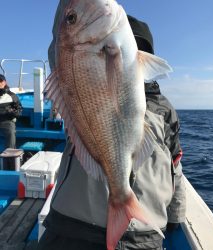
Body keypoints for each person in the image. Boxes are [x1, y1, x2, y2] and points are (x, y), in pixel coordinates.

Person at [37, 2, 186, 250]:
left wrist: (176, 219)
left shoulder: (164, 109)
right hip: (72, 227)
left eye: (140, 46)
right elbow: (60, 37)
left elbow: (175, 168)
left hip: (143, 235)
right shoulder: (72, 58)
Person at [0, 74, 22, 151]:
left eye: (0, 81)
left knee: (11, 132)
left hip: (6, 121)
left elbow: (19, 111)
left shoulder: (12, 96)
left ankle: (10, 156)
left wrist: (10, 111)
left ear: (5, 82)